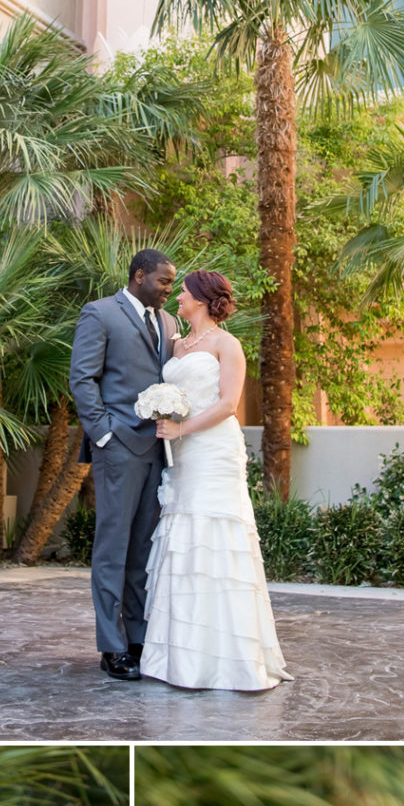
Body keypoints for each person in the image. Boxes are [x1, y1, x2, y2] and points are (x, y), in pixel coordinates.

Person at [139, 270, 288, 693]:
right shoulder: (175, 344)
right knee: (184, 536)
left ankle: (229, 658)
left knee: (214, 537)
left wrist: (181, 430)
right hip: (181, 455)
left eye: (183, 292)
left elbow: (227, 404)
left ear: (202, 299)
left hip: (212, 450)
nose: (177, 297)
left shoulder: (228, 344)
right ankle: (179, 656)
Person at [69, 248, 178, 680]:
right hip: (117, 448)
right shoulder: (100, 314)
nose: (170, 290)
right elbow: (82, 377)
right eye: (164, 281)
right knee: (112, 549)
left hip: (157, 449)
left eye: (172, 283)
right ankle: (111, 647)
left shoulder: (168, 323)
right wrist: (104, 433)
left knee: (142, 551)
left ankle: (137, 638)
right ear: (139, 276)